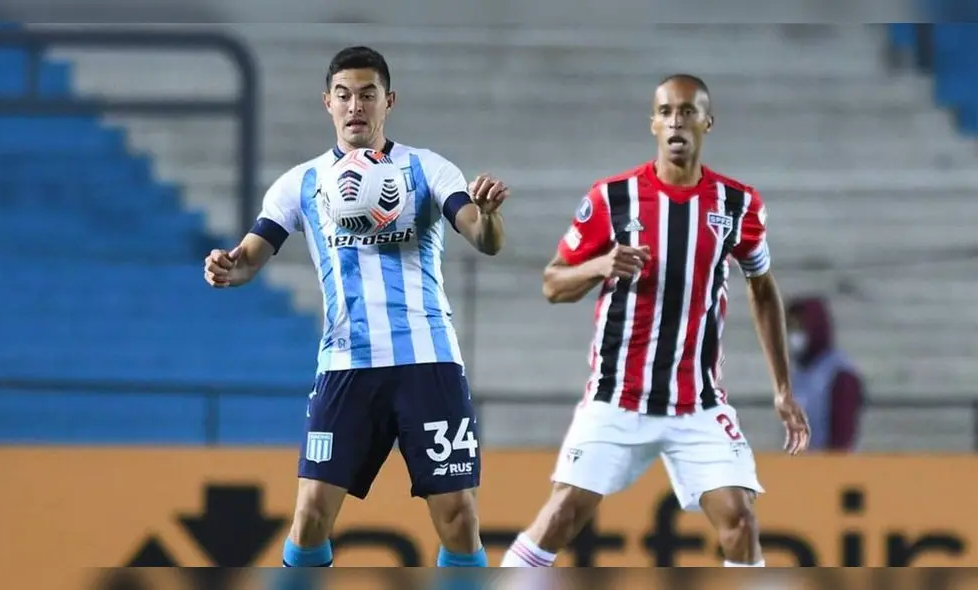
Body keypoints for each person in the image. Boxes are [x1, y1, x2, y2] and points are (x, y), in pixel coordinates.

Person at [203, 46, 509, 569]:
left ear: (388, 101)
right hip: (348, 363)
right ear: (327, 103)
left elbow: (483, 238)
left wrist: (488, 215)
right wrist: (231, 267)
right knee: (311, 515)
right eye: (344, 95)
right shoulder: (300, 184)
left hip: (427, 359)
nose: (355, 106)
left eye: (367, 95)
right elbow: (253, 253)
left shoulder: (427, 168)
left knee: (458, 517)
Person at [499, 74, 811, 569]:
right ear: (653, 124)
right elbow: (552, 283)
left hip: (697, 403)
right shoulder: (612, 199)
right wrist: (599, 266)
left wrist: (782, 389)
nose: (676, 122)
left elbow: (763, 288)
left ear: (708, 122)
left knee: (741, 522)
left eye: (688, 111)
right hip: (617, 396)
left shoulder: (738, 205)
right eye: (665, 112)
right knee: (560, 515)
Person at [787, 296, 864, 451]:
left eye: (800, 328)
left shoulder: (840, 375)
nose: (795, 336)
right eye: (791, 328)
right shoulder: (799, 374)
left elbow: (843, 439)